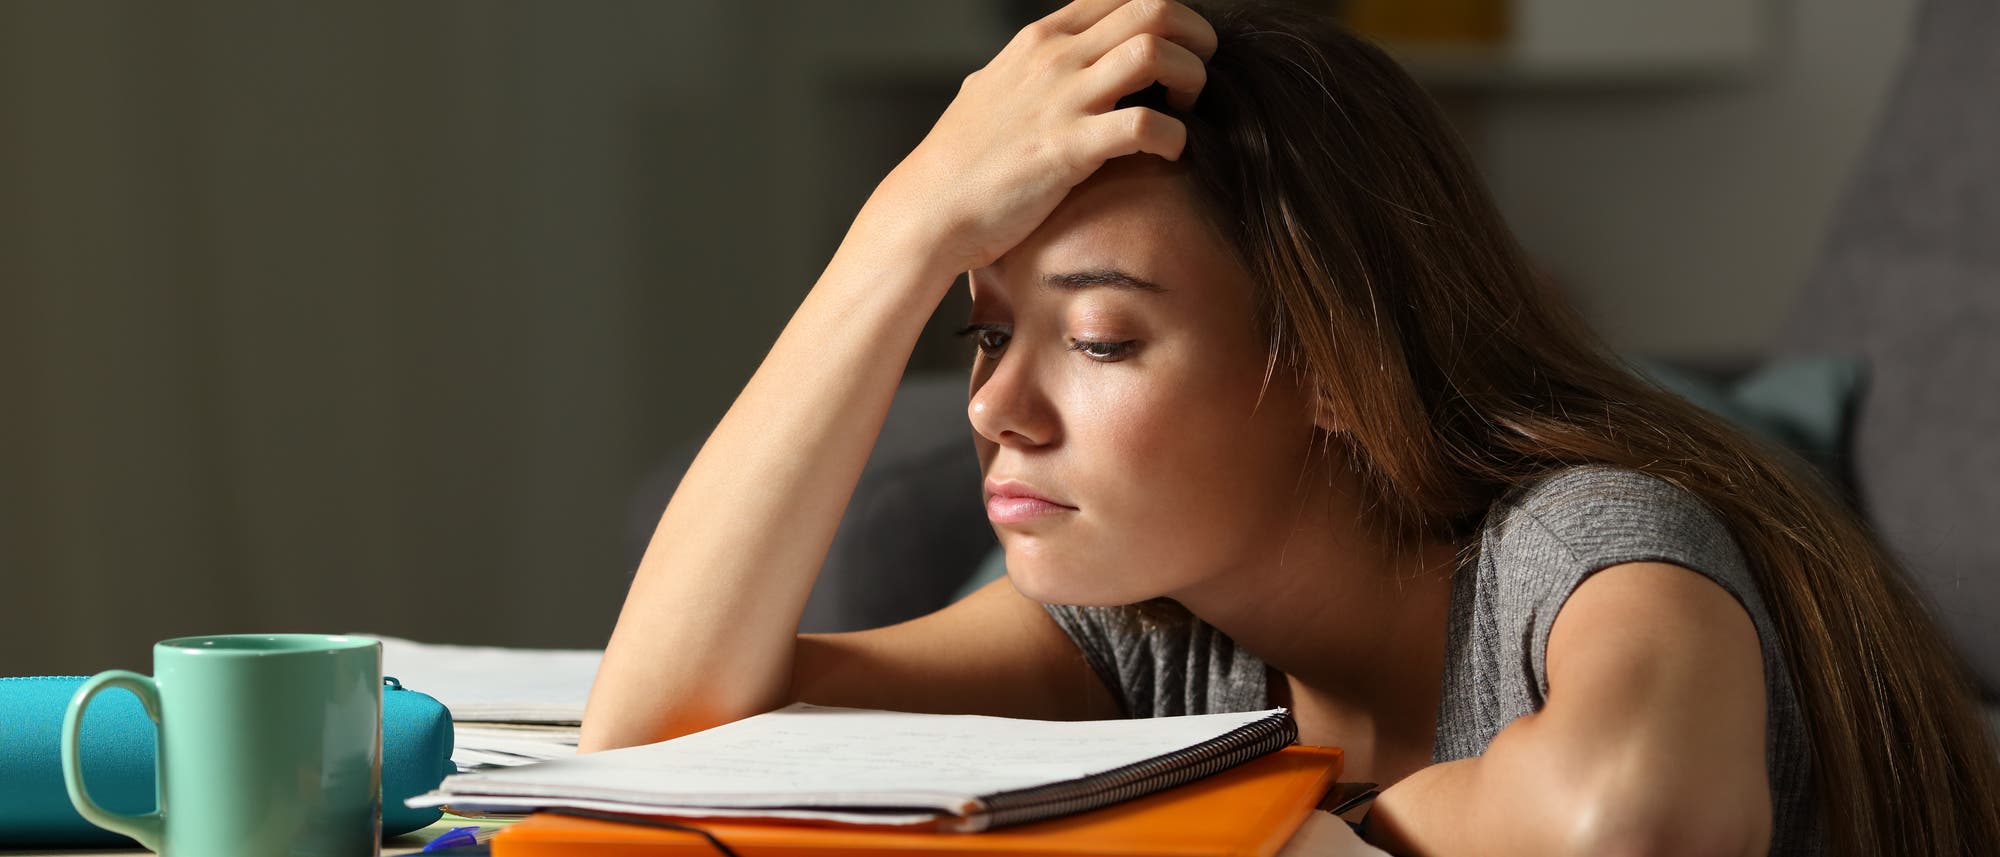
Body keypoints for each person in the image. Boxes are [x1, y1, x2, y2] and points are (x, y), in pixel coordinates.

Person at [579, 1, 2000, 854]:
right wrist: (895, 237)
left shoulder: (1586, 542)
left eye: (1097, 338)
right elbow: (660, 735)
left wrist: (1189, 827)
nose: (998, 408)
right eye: (983, 330)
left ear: (1330, 362)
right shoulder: (1148, 628)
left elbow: (1627, 818)